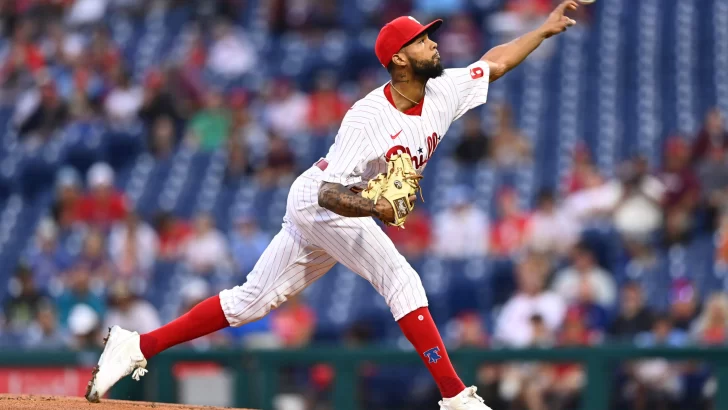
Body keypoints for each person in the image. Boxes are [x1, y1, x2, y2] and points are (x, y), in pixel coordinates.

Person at [86, 4, 579, 409]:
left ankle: (137, 345)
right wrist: (378, 207)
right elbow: (328, 194)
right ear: (400, 60)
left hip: (327, 211)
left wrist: (543, 29)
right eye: (423, 39)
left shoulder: (444, 88)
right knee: (400, 278)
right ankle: (456, 398)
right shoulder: (367, 117)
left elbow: (495, 61)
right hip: (319, 202)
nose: (434, 43)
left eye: (431, 36)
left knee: (249, 302)